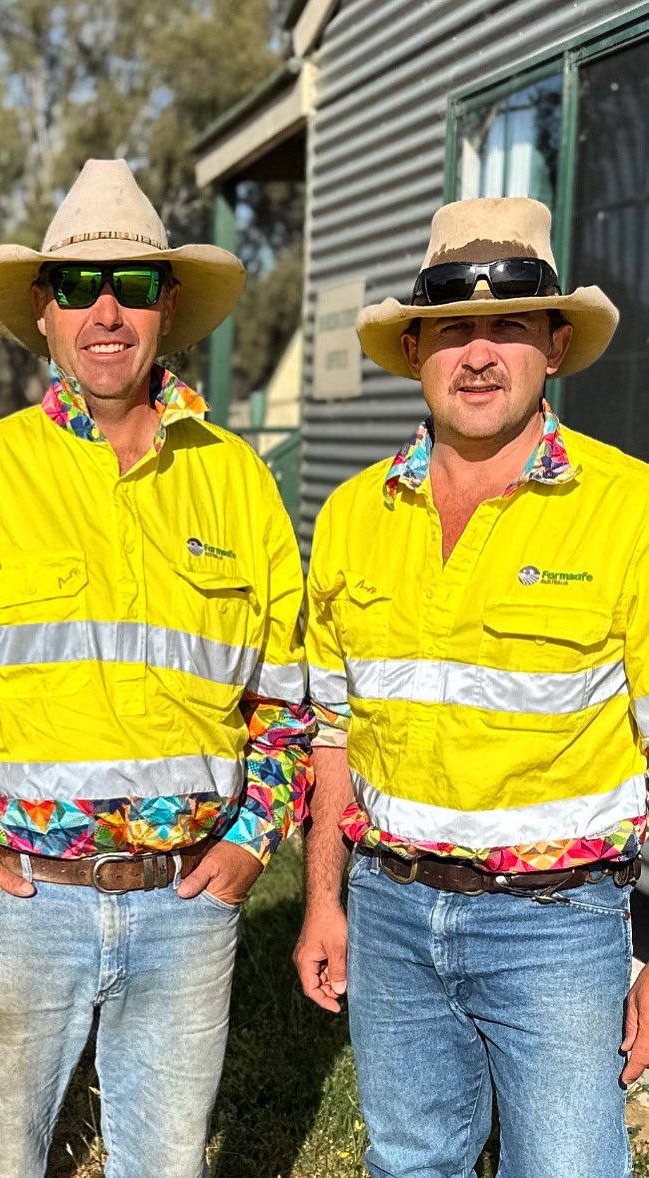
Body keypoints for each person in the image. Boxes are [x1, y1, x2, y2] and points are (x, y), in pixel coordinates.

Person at [0, 158, 314, 1178]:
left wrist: (247, 850)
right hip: (16, 902)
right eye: (77, 286)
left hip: (184, 911)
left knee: (164, 1162)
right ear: (43, 310)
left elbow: (281, 706)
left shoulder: (239, 481)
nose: (104, 311)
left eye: (131, 286)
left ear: (168, 308)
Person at [294, 195, 649, 1178]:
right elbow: (332, 732)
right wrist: (323, 901)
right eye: (451, 330)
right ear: (415, 351)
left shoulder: (626, 509)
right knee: (409, 1162)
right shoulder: (354, 513)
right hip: (390, 906)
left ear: (552, 343)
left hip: (556, 922)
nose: (479, 354)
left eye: (507, 326)